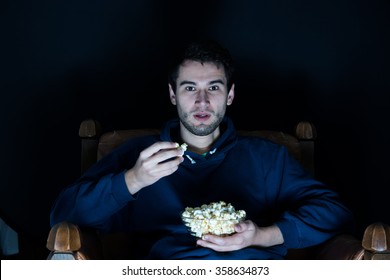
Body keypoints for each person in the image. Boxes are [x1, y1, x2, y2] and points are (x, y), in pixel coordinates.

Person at [50, 39, 354, 259]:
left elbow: (336, 214)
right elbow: (63, 215)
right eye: (190, 88)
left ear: (230, 95)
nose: (202, 101)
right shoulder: (139, 156)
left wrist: (263, 235)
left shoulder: (268, 157)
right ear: (173, 95)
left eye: (214, 87)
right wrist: (133, 180)